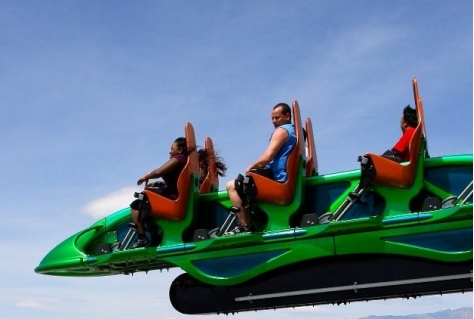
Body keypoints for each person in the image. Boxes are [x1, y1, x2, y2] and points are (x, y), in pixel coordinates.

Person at [225, 103, 297, 235]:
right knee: (247, 181)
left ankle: (244, 226)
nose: (274, 121)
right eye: (272, 118)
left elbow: (268, 156)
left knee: (232, 185)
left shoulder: (282, 131)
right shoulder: (294, 131)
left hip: (278, 180)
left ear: (287, 116)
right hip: (281, 177)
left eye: (277, 118)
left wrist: (251, 167)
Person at [130, 137, 189, 248]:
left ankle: (142, 237)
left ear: (180, 150)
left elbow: (159, 171)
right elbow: (176, 180)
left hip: (172, 197)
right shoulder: (185, 160)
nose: (169, 151)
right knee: (147, 198)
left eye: (172, 149)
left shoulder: (179, 158)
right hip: (174, 194)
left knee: (137, 204)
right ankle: (153, 236)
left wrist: (146, 176)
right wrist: (159, 183)